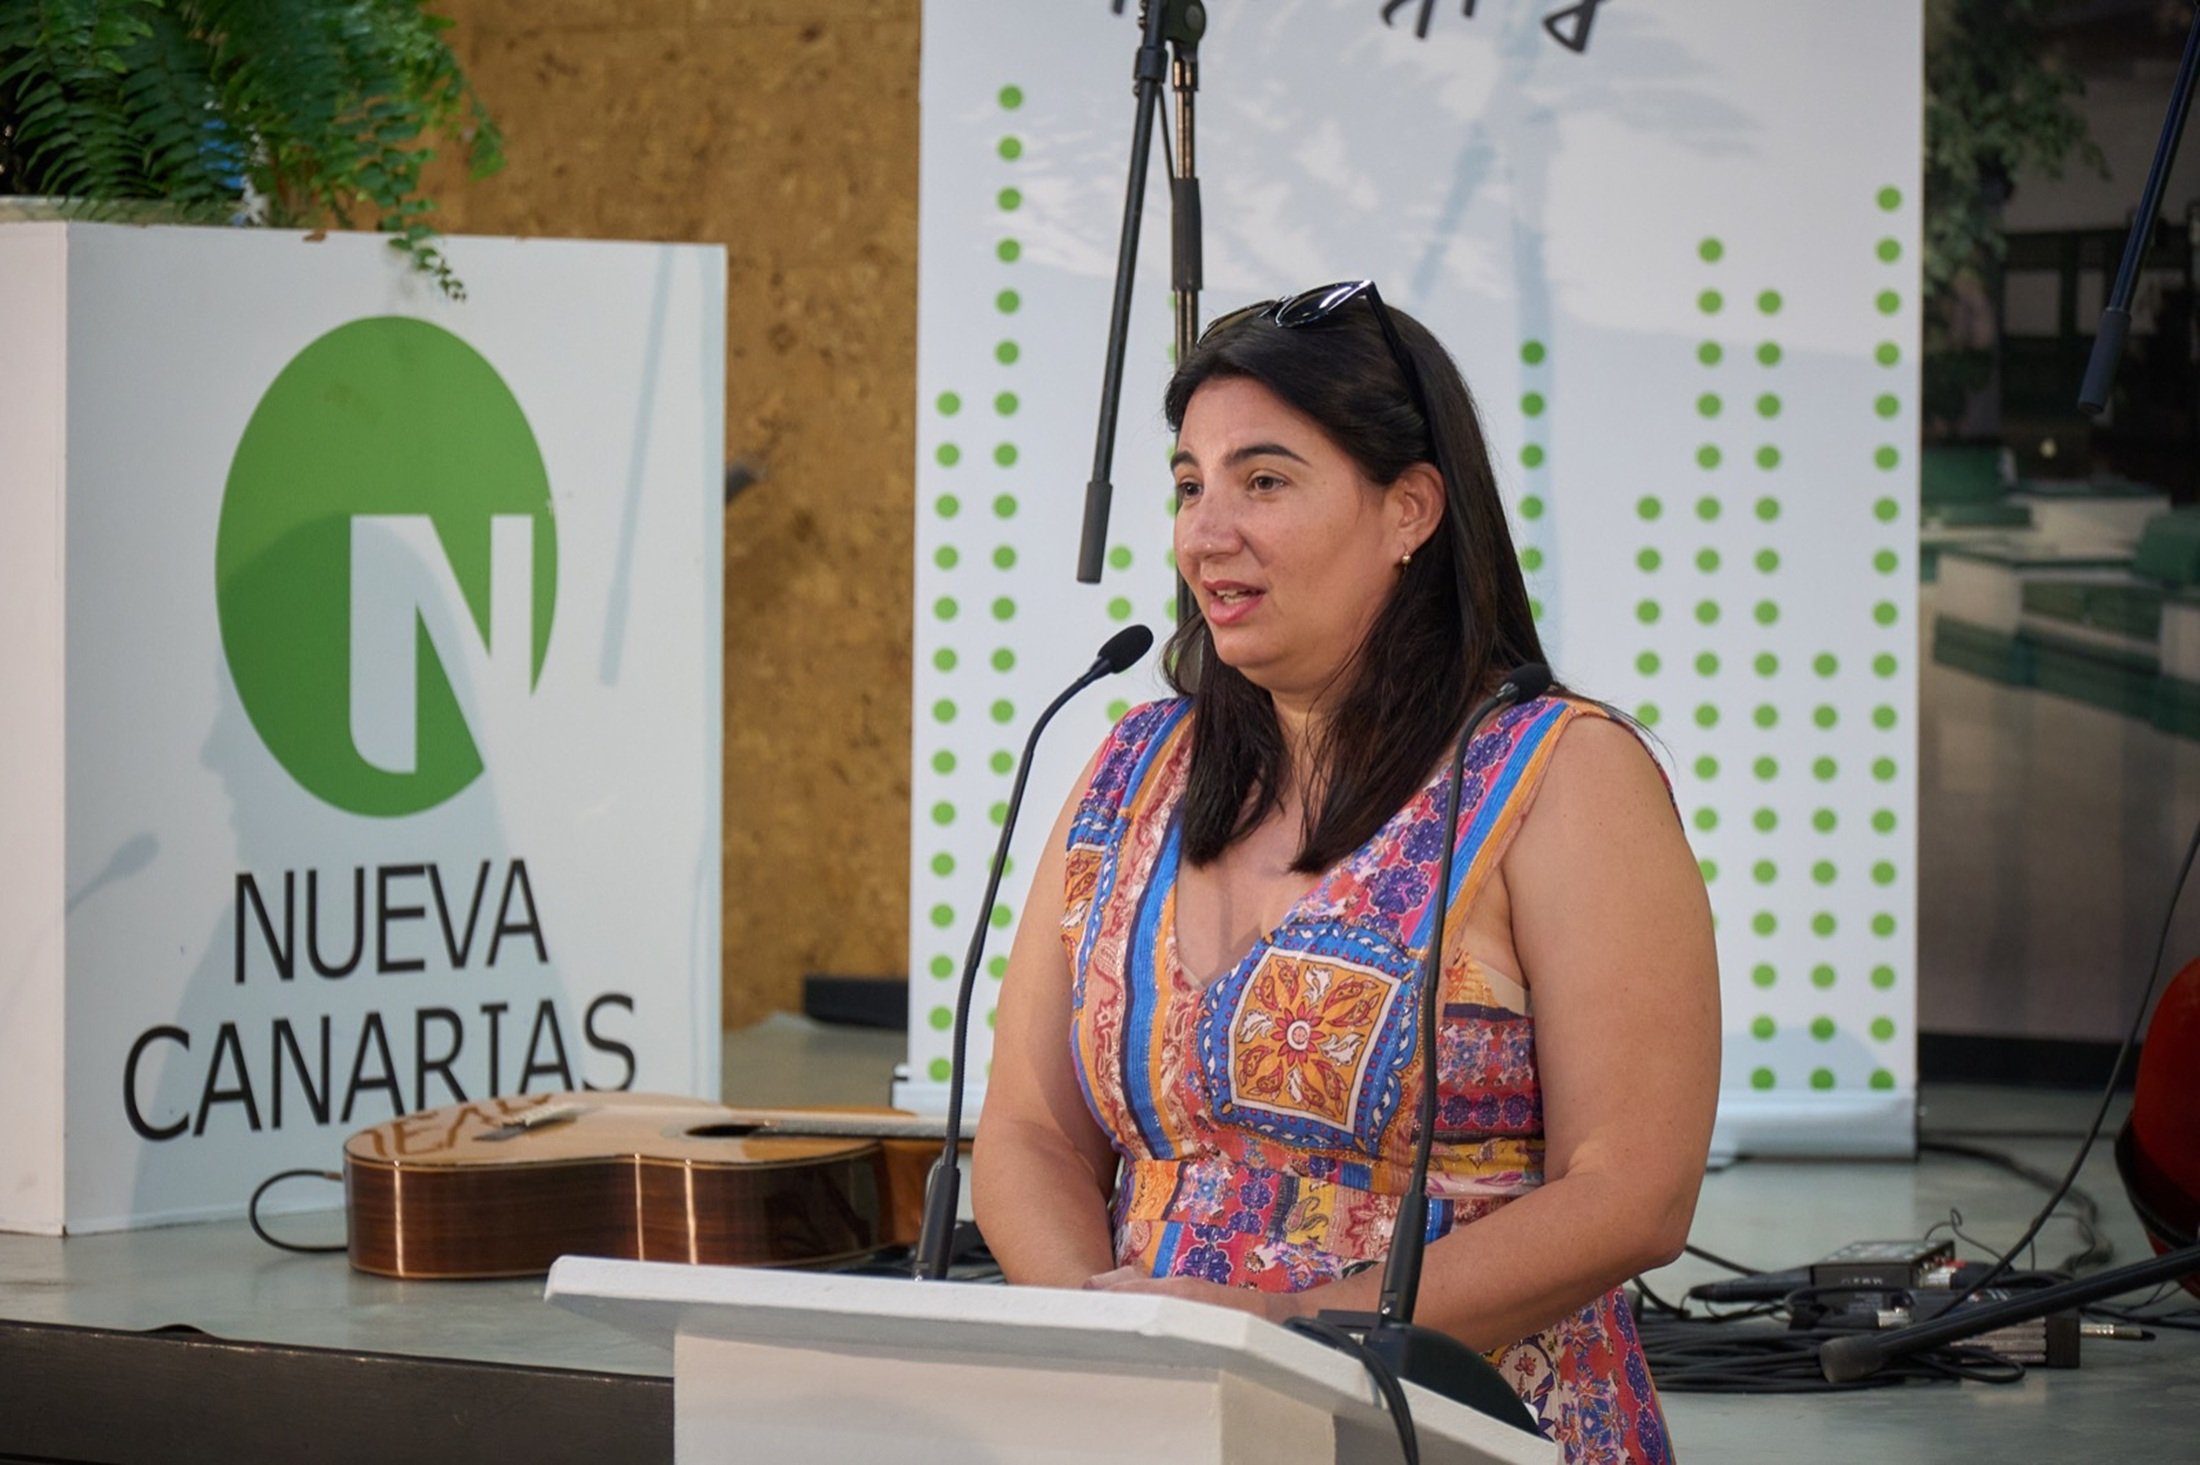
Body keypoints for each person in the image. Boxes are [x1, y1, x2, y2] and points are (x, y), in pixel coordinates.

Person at [971, 281, 1719, 1464]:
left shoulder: (1561, 774)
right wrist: (1098, 1335)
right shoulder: (1129, 769)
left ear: (1409, 508)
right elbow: (1028, 1132)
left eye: (1263, 481)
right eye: (1188, 484)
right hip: (1157, 1426)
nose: (1206, 532)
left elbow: (1632, 1190)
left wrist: (1284, 1334)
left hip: (1455, 1424)